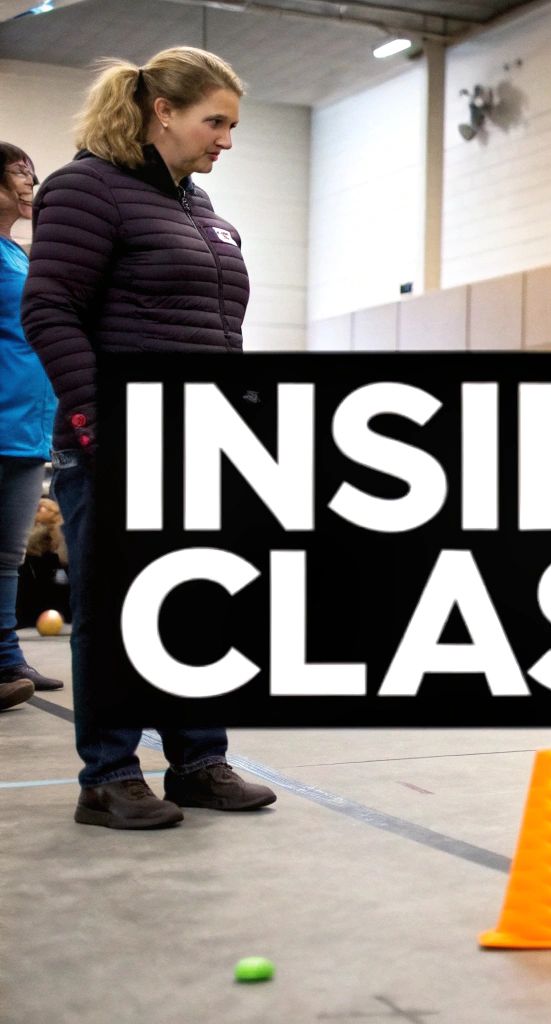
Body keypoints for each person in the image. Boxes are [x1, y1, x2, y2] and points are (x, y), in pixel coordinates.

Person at [22, 47, 276, 828]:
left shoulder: (199, 209)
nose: (225, 139)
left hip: (199, 438)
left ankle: (198, 761)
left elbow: (214, 332)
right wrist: (100, 423)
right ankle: (109, 775)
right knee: (113, 607)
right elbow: (50, 310)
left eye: (231, 125)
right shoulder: (85, 189)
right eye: (214, 122)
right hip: (117, 438)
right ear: (162, 111)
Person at [0, 141, 62, 714]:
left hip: (25, 425)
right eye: (21, 174)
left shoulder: (20, 254)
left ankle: (5, 660)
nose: (31, 183)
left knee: (8, 554)